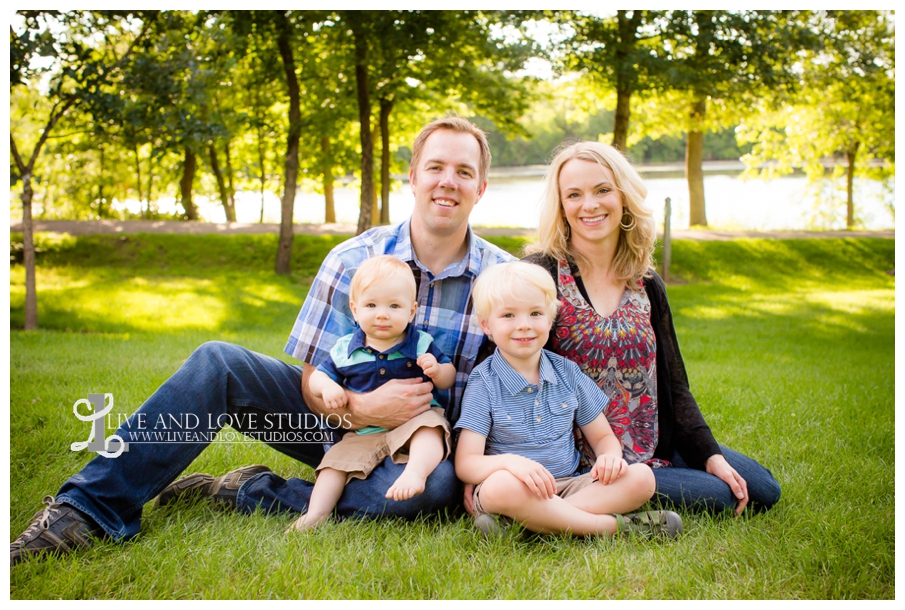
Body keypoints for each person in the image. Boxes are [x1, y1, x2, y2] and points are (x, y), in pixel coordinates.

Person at [11, 116, 514, 567]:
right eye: (436, 167)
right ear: (413, 177)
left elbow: (505, 391)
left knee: (432, 492)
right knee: (218, 362)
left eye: (464, 172)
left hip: (421, 446)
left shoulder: (500, 279)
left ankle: (244, 490)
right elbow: (315, 376)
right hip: (334, 420)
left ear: (482, 187)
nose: (448, 181)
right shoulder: (352, 258)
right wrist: (357, 407)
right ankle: (85, 510)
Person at [520, 141, 781, 515]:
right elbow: (500, 366)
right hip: (575, 455)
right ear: (561, 206)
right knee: (721, 497)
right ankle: (577, 500)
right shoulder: (541, 273)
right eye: (574, 194)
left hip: (651, 441)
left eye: (602, 190)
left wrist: (709, 455)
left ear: (624, 197)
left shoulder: (645, 281)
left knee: (763, 489)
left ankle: (630, 487)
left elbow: (674, 383)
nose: (589, 205)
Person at [454, 262, 683, 538]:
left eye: (535, 313)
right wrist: (511, 463)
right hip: (515, 489)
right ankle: (613, 528)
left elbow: (602, 438)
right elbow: (467, 464)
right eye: (509, 316)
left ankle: (533, 527)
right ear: (486, 324)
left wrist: (609, 458)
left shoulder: (567, 372)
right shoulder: (484, 382)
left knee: (642, 479)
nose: (524, 325)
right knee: (498, 487)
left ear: (550, 319)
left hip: (571, 485)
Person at [288, 255, 456, 531]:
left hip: (414, 421)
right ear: (354, 309)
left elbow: (448, 376)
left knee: (431, 428)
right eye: (371, 305)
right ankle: (316, 514)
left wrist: (437, 370)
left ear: (411, 311)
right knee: (334, 465)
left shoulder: (419, 343)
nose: (382, 314)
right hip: (364, 431)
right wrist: (329, 387)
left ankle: (415, 472)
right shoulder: (345, 349)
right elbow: (318, 376)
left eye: (394, 306)